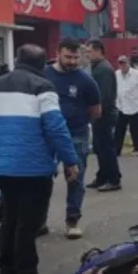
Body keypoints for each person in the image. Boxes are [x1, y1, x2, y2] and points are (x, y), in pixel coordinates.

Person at [0, 44, 80, 274]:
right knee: (29, 223)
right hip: (33, 166)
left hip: (0, 165)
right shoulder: (42, 87)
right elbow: (56, 128)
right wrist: (70, 160)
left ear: (16, 60)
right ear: (43, 64)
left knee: (10, 219)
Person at [43, 39, 101, 239]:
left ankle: (72, 220)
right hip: (47, 135)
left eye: (76, 57)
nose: (73, 62)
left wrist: (81, 122)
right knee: (41, 178)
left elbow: (96, 109)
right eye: (68, 57)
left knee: (75, 178)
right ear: (57, 53)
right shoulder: (43, 76)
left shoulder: (85, 80)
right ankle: (39, 221)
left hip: (76, 134)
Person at [85, 40, 121, 192]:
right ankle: (102, 176)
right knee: (99, 148)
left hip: (104, 114)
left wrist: (95, 110)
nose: (87, 54)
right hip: (99, 115)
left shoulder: (104, 70)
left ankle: (113, 179)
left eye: (90, 51)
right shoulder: (97, 68)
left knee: (106, 148)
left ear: (99, 51)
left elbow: (103, 95)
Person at [113, 55, 138, 157]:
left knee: (135, 130)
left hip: (135, 106)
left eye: (124, 63)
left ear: (128, 63)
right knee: (119, 130)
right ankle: (116, 150)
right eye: (120, 63)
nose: (122, 65)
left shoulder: (136, 74)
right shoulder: (116, 75)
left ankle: (137, 148)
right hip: (121, 106)